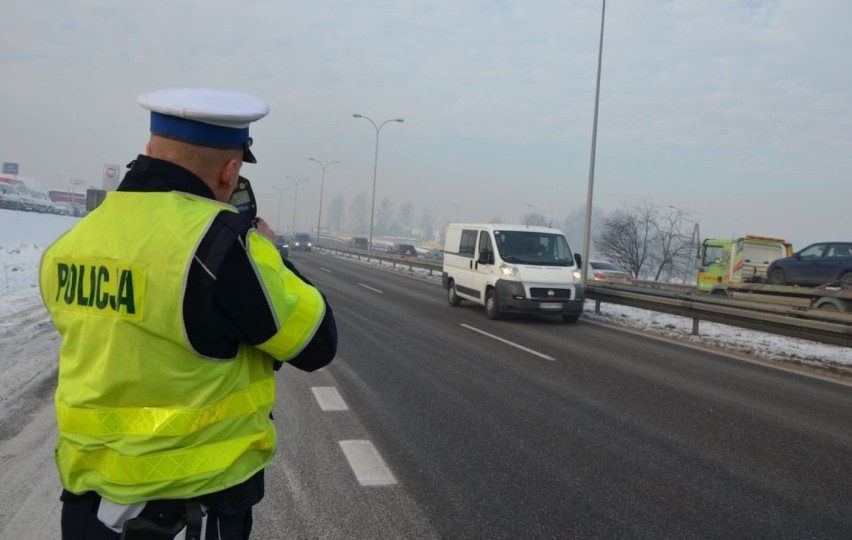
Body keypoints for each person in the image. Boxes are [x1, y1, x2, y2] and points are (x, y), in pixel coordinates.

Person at [39, 88, 337, 539]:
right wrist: (271, 255)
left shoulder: (71, 244)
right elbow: (316, 343)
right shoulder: (219, 246)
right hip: (192, 512)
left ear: (149, 151)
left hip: (87, 507)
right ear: (230, 170)